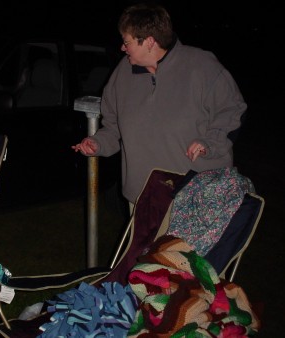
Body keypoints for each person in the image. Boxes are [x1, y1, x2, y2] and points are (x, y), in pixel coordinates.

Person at [72, 3, 246, 208]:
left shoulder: (202, 67)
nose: (122, 48)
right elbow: (113, 126)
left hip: (195, 198)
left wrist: (210, 142)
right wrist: (98, 143)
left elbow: (232, 111)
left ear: (149, 42)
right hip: (142, 197)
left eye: (126, 42)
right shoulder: (122, 75)